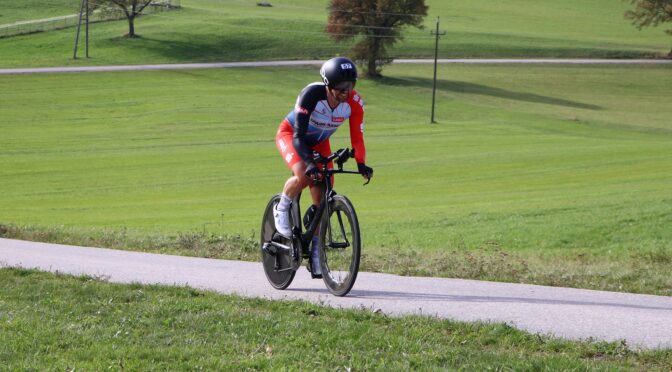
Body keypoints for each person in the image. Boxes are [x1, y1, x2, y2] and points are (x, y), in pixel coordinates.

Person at [274, 57, 374, 274]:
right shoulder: (311, 95)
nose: (346, 93)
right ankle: (282, 206)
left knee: (323, 197)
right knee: (305, 174)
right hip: (292, 135)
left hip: (320, 142)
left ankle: (317, 251)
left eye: (350, 87)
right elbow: (299, 136)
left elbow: (357, 137)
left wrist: (361, 163)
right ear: (328, 84)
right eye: (340, 88)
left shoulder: (355, 103)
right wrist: (309, 163)